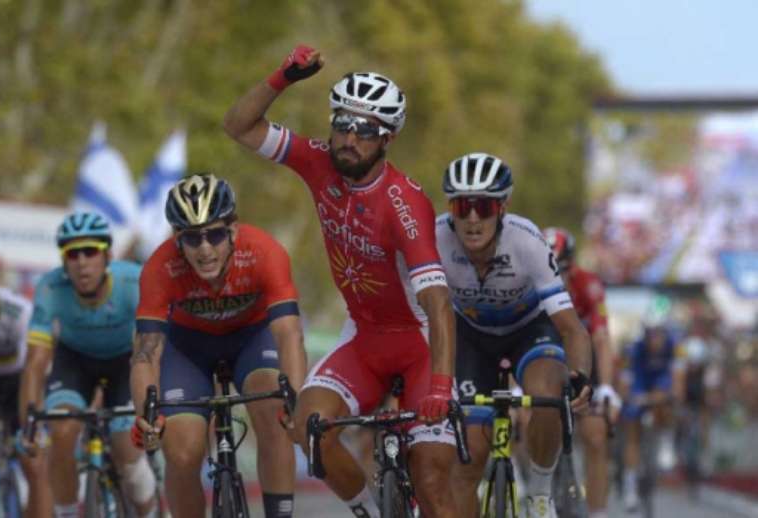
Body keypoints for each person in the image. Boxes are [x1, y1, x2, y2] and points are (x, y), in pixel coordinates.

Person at [223, 45, 461, 518]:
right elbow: (238, 126)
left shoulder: (404, 203)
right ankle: (369, 511)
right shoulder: (318, 161)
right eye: (343, 124)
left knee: (432, 477)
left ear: (388, 138)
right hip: (364, 337)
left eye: (367, 129)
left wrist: (439, 385)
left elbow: (437, 304)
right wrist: (284, 76)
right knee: (306, 427)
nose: (350, 138)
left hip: (417, 344)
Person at [130, 173, 307, 518]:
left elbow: (289, 334)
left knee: (274, 407)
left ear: (234, 231)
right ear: (177, 240)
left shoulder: (264, 252)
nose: (205, 248)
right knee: (180, 452)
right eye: (193, 238)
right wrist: (145, 417)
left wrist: (295, 397)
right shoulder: (159, 267)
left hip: (252, 338)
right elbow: (146, 351)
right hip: (188, 350)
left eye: (214, 234)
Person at [437, 153, 593, 518]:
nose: (473, 218)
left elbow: (571, 326)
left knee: (546, 394)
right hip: (470, 337)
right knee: (468, 460)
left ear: (502, 208)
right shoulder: (435, 240)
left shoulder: (528, 242)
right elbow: (418, 316)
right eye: (463, 206)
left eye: (484, 206)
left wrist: (581, 376)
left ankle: (539, 493)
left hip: (529, 330)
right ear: (451, 208)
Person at [19, 212, 157, 518]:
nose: (82, 262)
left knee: (126, 450)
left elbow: (149, 346)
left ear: (107, 255)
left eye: (90, 251)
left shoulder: (132, 281)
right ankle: (68, 512)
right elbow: (35, 362)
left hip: (125, 361)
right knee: (62, 431)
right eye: (72, 253)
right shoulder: (50, 288)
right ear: (64, 261)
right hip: (75, 362)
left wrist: (150, 399)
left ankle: (151, 512)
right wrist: (28, 424)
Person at [543, 227, 622, 518]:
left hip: (584, 361)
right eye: (550, 270)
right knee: (526, 420)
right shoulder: (528, 283)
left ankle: (597, 512)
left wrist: (607, 388)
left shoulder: (588, 284)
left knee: (597, 435)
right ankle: (532, 487)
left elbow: (601, 338)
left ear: (572, 266)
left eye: (562, 270)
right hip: (547, 358)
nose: (557, 278)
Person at [0, 252, 52, 518]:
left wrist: (30, 428)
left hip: (21, 380)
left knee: (34, 462)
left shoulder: (18, 311)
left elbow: (33, 370)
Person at [619, 301, 685, 512]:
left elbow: (678, 381)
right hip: (640, 382)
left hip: (661, 382)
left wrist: (671, 396)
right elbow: (625, 383)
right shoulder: (634, 349)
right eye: (650, 334)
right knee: (632, 433)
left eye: (658, 334)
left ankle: (666, 442)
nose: (654, 339)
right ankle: (630, 488)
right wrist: (628, 398)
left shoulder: (676, 347)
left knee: (666, 402)